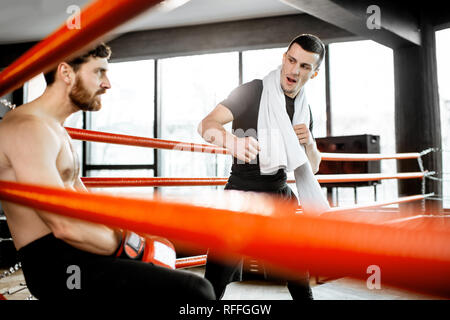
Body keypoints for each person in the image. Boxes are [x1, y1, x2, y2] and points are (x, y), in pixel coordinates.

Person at [0, 43, 215, 300]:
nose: (107, 84)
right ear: (66, 73)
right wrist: (134, 247)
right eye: (99, 72)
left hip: (76, 249)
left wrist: (131, 230)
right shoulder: (29, 129)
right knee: (197, 291)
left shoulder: (53, 127)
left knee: (185, 244)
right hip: (58, 267)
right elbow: (64, 225)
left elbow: (80, 200)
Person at [197, 34, 326, 300]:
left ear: (313, 74)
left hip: (280, 196)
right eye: (291, 60)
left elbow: (310, 168)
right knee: (214, 284)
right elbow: (206, 124)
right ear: (283, 58)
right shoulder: (253, 91)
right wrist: (230, 141)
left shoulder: (305, 109)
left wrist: (311, 145)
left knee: (300, 282)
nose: (293, 70)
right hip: (241, 196)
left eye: (304, 66)